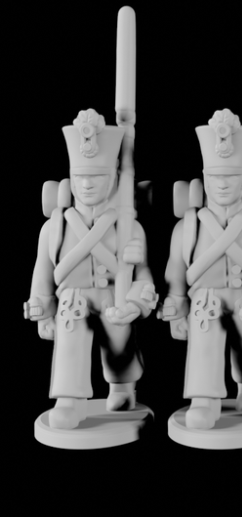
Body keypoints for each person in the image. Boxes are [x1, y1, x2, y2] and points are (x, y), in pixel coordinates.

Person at [25, 108, 157, 429]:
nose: (86, 184)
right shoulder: (54, 228)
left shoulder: (129, 227)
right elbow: (43, 273)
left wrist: (136, 302)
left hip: (113, 295)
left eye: (96, 177)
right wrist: (42, 308)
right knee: (70, 314)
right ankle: (69, 398)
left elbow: (144, 277)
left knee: (120, 333)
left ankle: (122, 385)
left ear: (113, 178)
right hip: (73, 297)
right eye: (81, 176)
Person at [161, 108, 242, 430]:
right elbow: (175, 275)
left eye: (231, 177)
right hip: (205, 297)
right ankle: (204, 398)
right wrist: (177, 311)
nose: (222, 185)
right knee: (204, 322)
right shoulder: (187, 228)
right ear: (204, 179)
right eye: (215, 177)